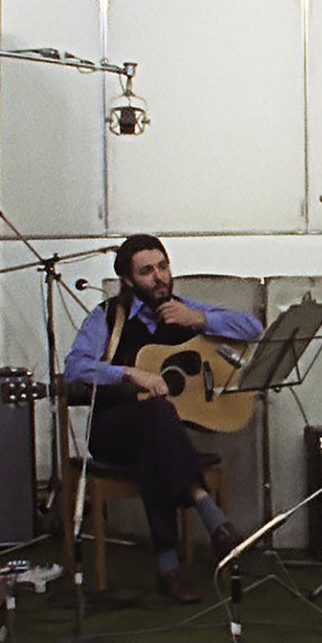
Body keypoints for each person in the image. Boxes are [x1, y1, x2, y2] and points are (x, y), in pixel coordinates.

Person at [63, 234, 262, 604]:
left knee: (154, 440)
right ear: (128, 280)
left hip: (156, 436)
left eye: (163, 266)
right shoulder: (107, 316)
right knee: (157, 417)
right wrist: (126, 373)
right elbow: (74, 368)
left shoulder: (183, 311)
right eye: (146, 271)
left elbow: (253, 328)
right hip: (110, 429)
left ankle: (169, 569)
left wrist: (200, 318)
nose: (159, 278)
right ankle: (210, 512)